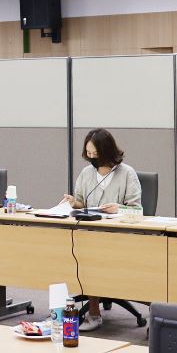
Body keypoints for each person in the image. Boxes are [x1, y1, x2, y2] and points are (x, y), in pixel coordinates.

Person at [62, 129, 143, 332]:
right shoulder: (86, 173)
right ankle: (92, 309)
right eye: (88, 154)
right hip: (90, 233)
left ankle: (94, 313)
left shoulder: (127, 173)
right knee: (83, 253)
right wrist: (73, 202)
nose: (91, 158)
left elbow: (138, 210)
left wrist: (119, 208)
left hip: (119, 237)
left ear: (106, 152)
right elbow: (81, 202)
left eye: (95, 154)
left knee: (93, 257)